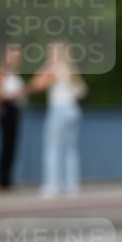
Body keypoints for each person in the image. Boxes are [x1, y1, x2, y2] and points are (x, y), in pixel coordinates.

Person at [27, 41, 87, 196]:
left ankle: (52, 184)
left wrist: (45, 65)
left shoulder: (55, 69)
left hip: (59, 109)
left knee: (52, 147)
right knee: (70, 149)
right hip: (73, 109)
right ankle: (72, 185)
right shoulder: (71, 69)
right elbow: (82, 91)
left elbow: (36, 84)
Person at [0, 44, 24, 190]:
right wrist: (11, 96)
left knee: (12, 146)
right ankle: (1, 179)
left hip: (15, 109)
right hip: (5, 110)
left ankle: (8, 177)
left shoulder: (14, 73)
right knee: (5, 145)